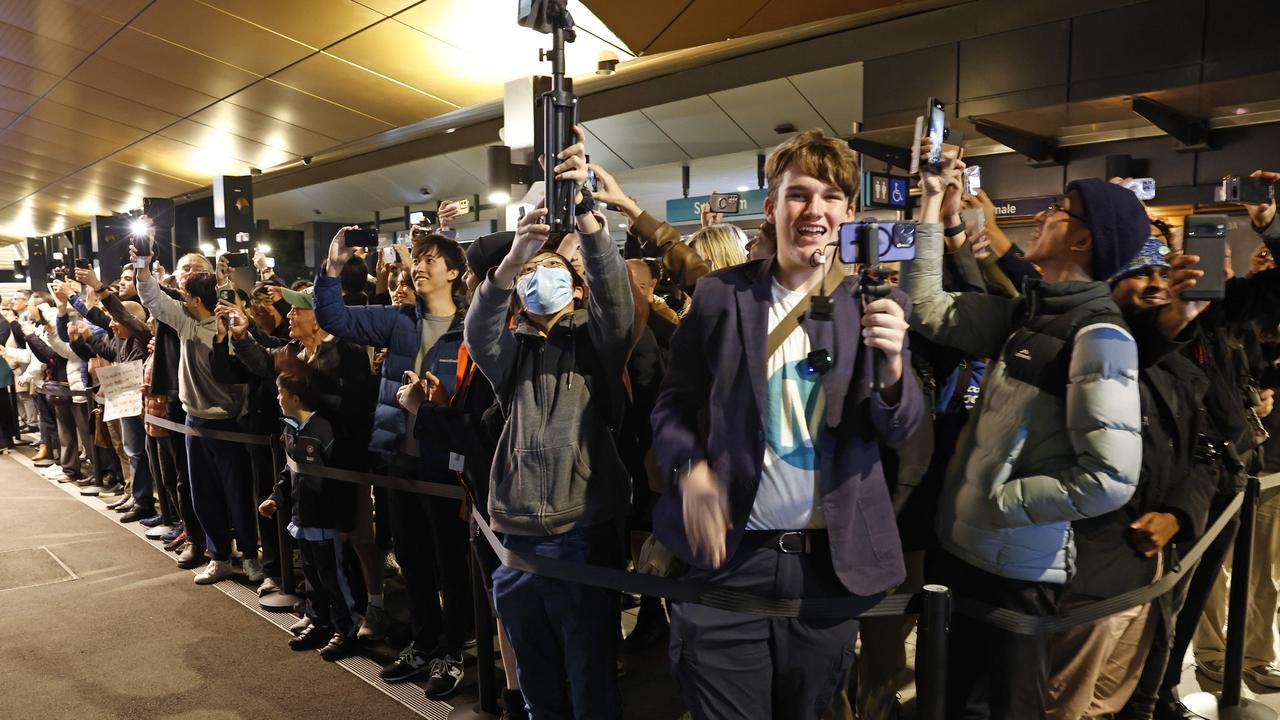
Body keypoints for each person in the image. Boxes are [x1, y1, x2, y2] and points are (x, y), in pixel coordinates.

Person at [649, 129, 923, 719]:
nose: (814, 210)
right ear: (772, 208)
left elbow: (900, 426)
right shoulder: (723, 296)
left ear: (849, 213)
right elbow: (672, 403)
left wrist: (896, 364)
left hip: (829, 567)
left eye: (830, 197)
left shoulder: (874, 305)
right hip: (731, 558)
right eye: (798, 194)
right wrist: (690, 470)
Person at [904, 137, 1148, 718]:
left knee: (1011, 707)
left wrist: (1002, 500)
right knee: (946, 700)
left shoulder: (1099, 336)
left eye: (1060, 210)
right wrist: (934, 208)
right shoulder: (1028, 313)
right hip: (963, 553)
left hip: (1016, 572)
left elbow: (1111, 476)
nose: (1042, 214)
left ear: (1085, 240)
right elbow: (927, 308)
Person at [465, 127, 633, 719]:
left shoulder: (595, 342)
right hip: (515, 536)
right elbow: (478, 333)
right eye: (533, 270)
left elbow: (617, 304)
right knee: (538, 683)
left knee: (590, 681)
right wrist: (510, 263)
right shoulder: (512, 352)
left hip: (579, 531)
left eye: (552, 265)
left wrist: (587, 220)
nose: (544, 274)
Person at [1045, 240, 1217, 719]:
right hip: (1089, 574)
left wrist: (1178, 515)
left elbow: (1206, 452)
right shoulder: (1080, 350)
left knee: (1111, 703)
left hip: (1151, 569)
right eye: (1142, 273)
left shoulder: (1181, 369)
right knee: (1063, 704)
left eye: (1165, 272)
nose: (1157, 284)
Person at [313, 224, 474, 699]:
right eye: (416, 259)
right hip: (396, 461)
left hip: (445, 466)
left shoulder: (473, 328)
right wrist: (333, 266)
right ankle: (424, 642)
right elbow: (334, 317)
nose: (418, 266)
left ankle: (454, 647)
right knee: (412, 558)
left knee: (452, 563)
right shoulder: (398, 319)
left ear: (455, 273)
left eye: (430, 260)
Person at [133, 239, 259, 586]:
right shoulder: (186, 322)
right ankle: (219, 556)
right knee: (203, 495)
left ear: (197, 300)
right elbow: (154, 299)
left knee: (237, 495)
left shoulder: (232, 328)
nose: (181, 299)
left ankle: (250, 557)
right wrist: (142, 266)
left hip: (230, 424)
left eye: (186, 295)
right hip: (194, 422)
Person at [260, 369, 360, 661]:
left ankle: (347, 629)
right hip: (302, 517)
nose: (277, 399)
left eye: (280, 394)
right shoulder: (290, 428)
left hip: (327, 521)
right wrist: (276, 497)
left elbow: (341, 481)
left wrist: (343, 522)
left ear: (295, 397)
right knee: (313, 576)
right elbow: (288, 471)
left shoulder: (324, 430)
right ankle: (319, 620)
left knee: (334, 577)